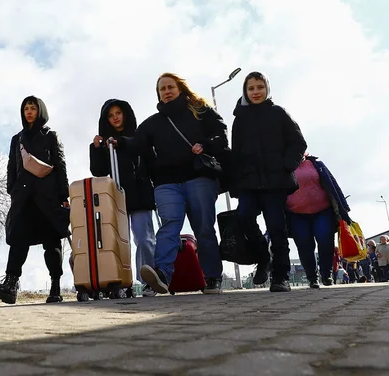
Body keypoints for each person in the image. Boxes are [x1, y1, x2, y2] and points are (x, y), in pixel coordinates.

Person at [112, 73, 228, 295]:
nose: (166, 91)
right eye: (162, 89)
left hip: (198, 177)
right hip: (166, 182)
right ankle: (162, 275)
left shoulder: (200, 112)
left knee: (203, 228)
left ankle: (212, 276)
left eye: (170, 87)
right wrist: (118, 142)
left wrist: (205, 145)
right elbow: (136, 143)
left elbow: (222, 136)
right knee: (169, 226)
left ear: (180, 88)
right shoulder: (153, 123)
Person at [0, 96, 70, 305]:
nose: (29, 112)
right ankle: (10, 286)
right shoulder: (18, 139)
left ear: (40, 110)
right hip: (23, 198)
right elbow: (11, 166)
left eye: (33, 108)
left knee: (52, 243)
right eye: (26, 109)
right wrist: (12, 190)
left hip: (48, 197)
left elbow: (60, 165)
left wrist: (63, 195)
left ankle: (55, 286)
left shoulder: (51, 135)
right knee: (18, 239)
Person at [230, 71, 307, 292]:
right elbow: (236, 153)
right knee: (244, 218)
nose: (255, 92)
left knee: (276, 228)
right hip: (249, 183)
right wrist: (234, 182)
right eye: (251, 88)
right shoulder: (240, 119)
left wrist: (287, 165)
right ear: (245, 91)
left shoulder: (279, 113)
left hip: (276, 182)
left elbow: (298, 142)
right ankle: (263, 258)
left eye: (259, 87)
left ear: (267, 89)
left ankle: (280, 276)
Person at [90, 99, 156, 296]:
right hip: (118, 197)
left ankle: (149, 280)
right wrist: (96, 149)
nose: (115, 117)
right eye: (110, 115)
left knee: (144, 239)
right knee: (119, 241)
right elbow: (99, 172)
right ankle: (122, 281)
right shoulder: (104, 143)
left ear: (125, 114)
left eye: (118, 113)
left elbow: (149, 158)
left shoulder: (138, 136)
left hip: (141, 193)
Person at [287, 154, 351, 288]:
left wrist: (343, 208)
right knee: (305, 245)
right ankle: (312, 277)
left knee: (325, 241)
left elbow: (333, 184)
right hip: (296, 214)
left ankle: (326, 274)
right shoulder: (283, 165)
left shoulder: (317, 165)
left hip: (323, 211)